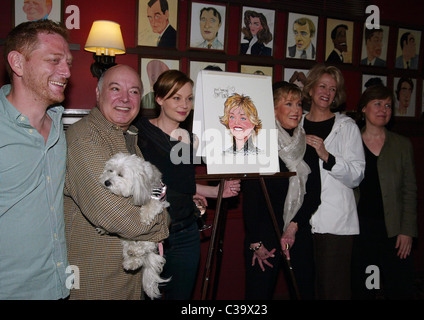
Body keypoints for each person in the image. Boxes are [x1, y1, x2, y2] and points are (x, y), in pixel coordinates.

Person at [64, 64, 170, 300]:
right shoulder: (86, 139)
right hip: (96, 276)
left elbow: (154, 189)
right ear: (98, 93)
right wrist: (163, 222)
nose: (125, 98)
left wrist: (157, 206)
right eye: (115, 88)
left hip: (128, 278)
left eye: (133, 91)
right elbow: (114, 215)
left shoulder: (128, 138)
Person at [135, 70, 240, 300]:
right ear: (160, 99)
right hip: (151, 232)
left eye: (189, 98)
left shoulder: (189, 138)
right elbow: (147, 185)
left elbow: (183, 184)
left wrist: (217, 192)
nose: (184, 105)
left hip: (185, 232)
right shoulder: (140, 133)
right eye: (176, 97)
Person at [0, 19, 72, 299]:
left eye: (67, 62)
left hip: (58, 286)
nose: (66, 71)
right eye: (54, 60)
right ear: (18, 63)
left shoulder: (58, 126)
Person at [242, 82, 318, 300]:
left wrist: (293, 228)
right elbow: (251, 197)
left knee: (304, 291)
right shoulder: (258, 143)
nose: (296, 110)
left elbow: (315, 194)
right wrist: (255, 241)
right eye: (289, 103)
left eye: (299, 104)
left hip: (298, 229)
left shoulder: (307, 144)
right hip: (264, 235)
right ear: (273, 109)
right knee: (258, 295)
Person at [301, 63, 365, 299]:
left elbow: (357, 175)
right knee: (306, 286)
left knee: (333, 290)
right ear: (310, 89)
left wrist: (328, 156)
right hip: (300, 221)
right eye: (322, 86)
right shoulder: (295, 125)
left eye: (332, 88)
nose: (327, 92)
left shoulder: (347, 128)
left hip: (335, 222)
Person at [352, 84, 417, 299]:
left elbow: (409, 191)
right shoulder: (350, 143)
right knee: (367, 287)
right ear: (363, 108)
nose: (383, 109)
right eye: (377, 104)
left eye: (388, 105)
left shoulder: (402, 145)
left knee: (398, 286)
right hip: (362, 230)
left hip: (394, 230)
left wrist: (407, 231)